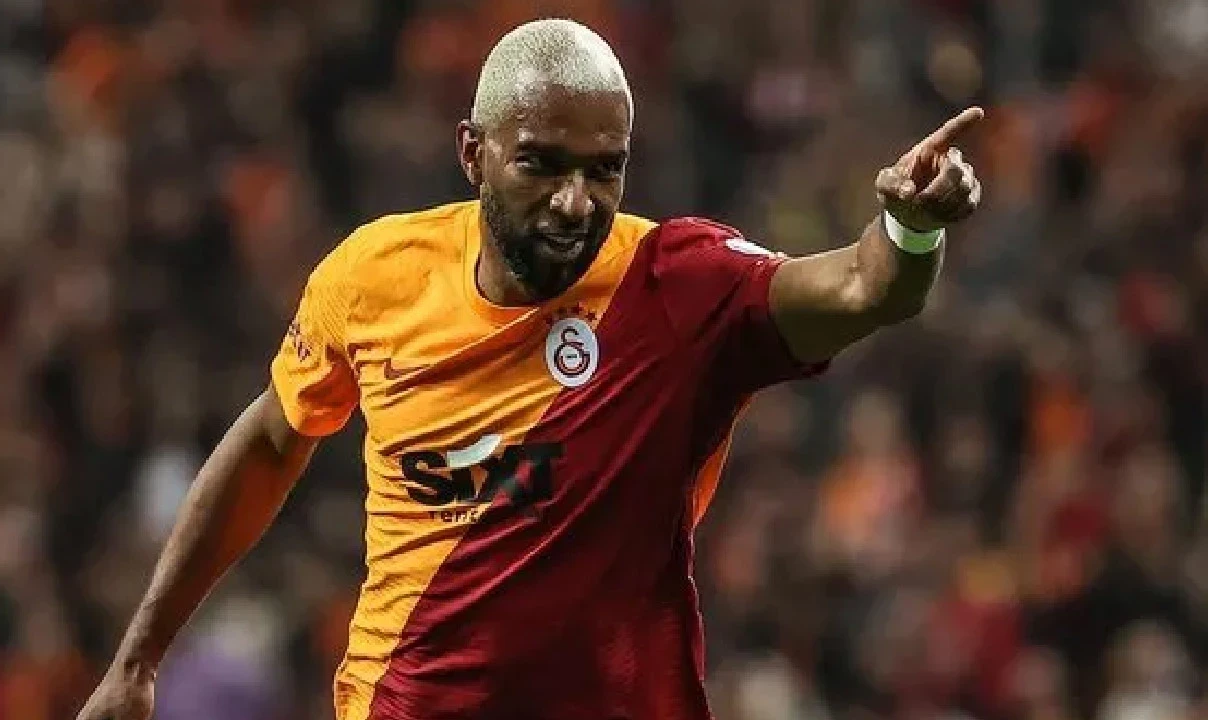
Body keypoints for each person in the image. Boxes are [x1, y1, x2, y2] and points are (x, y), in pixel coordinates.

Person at [75, 18, 983, 720]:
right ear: (473, 152)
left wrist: (910, 227)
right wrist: (139, 659)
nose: (575, 202)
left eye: (604, 170)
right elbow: (276, 438)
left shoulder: (675, 286)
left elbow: (867, 288)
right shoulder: (373, 276)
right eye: (542, 165)